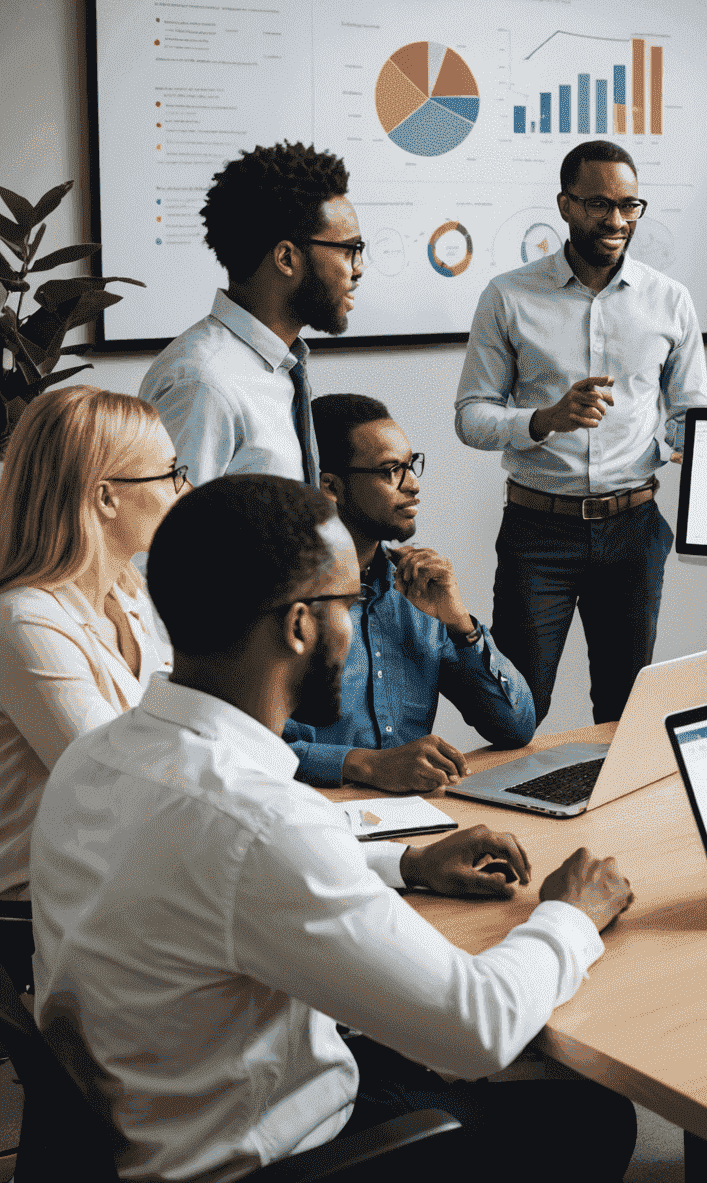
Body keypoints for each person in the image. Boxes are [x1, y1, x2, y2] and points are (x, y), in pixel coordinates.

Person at [30, 475, 637, 1182]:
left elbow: (214, 880)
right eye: (349, 603)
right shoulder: (258, 821)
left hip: (144, 1125)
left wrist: (404, 865)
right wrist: (571, 914)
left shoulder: (98, 756)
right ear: (298, 625)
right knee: (594, 1117)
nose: (355, 624)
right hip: (283, 1158)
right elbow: (482, 1029)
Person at [455, 139, 707, 725]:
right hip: (537, 532)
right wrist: (545, 420)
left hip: (633, 529)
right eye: (598, 204)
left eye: (629, 205)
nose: (616, 220)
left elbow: (689, 410)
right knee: (513, 713)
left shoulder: (670, 301)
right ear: (565, 206)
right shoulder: (509, 296)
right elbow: (471, 416)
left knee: (624, 713)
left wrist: (688, 442)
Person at [284, 393, 536, 790]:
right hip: (316, 824)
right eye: (391, 471)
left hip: (422, 819)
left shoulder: (418, 591)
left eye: (411, 465)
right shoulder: (283, 604)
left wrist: (459, 624)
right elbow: (244, 750)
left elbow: (516, 727)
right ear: (332, 486)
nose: (413, 485)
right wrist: (360, 764)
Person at [0, 387, 185, 906]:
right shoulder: (23, 622)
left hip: (131, 885)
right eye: (170, 474)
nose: (185, 488)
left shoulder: (130, 595)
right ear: (106, 498)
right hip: (43, 918)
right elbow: (120, 788)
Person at [140, 141, 364, 486]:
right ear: (287, 258)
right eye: (349, 250)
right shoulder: (204, 384)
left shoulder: (280, 364)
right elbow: (171, 531)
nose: (359, 268)